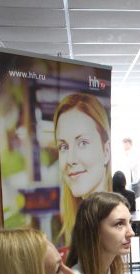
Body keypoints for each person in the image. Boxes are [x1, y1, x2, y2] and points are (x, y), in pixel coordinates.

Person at [55, 93, 111, 246]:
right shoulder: (73, 224)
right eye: (63, 146)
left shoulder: (112, 223)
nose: (70, 159)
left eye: (83, 143)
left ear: (106, 151)